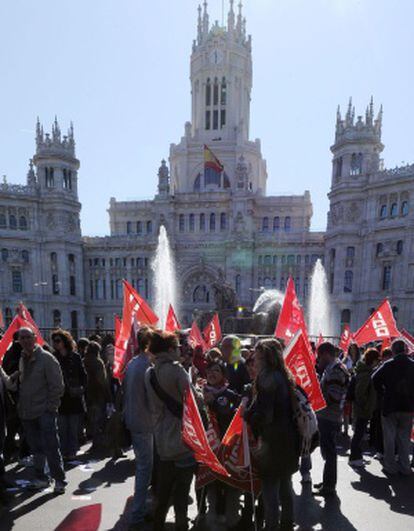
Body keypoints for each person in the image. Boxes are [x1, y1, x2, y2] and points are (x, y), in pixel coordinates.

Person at [244, 338, 300, 531]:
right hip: (288, 438)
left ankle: (272, 527)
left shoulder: (266, 377)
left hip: (271, 440)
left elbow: (265, 415)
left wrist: (247, 414)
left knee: (269, 489)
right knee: (285, 485)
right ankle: (286, 524)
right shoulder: (283, 374)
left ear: (265, 357)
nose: (254, 360)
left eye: (257, 356)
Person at [145, 330, 196, 531]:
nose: (180, 350)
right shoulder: (177, 371)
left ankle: (158, 525)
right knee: (182, 493)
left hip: (162, 440)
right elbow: (191, 401)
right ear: (169, 349)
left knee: (163, 492)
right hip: (182, 439)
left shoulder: (149, 373)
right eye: (177, 347)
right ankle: (181, 526)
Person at [17, 327, 66, 493]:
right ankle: (41, 478)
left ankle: (59, 480)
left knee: (51, 447)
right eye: (21, 338)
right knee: (36, 449)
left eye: (28, 337)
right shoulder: (22, 359)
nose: (25, 341)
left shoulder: (47, 359)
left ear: (35, 338)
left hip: (45, 411)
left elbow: (57, 386)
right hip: (28, 412)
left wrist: (51, 407)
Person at [203, 359, 241, 529]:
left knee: (228, 484)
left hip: (226, 448)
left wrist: (214, 404)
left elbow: (231, 416)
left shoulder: (230, 395)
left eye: (216, 370)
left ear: (223, 375)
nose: (212, 373)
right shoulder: (199, 393)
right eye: (209, 370)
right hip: (207, 449)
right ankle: (208, 516)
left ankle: (230, 517)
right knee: (209, 484)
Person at [123, 326, 154, 531]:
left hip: (134, 419)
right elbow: (151, 398)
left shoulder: (133, 363)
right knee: (144, 468)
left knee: (143, 466)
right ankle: (137, 513)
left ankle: (140, 509)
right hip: (144, 422)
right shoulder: (146, 366)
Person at [372, 339, 414, 476]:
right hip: (408, 406)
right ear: (406, 350)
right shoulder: (412, 365)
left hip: (390, 405)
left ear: (394, 350)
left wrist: (382, 391)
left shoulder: (388, 365)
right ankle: (405, 466)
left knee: (389, 437)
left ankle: (390, 466)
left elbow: (374, 378)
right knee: (404, 438)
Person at [314, 341, 349, 497]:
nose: (318, 360)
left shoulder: (335, 370)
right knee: (328, 452)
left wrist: (318, 394)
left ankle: (329, 486)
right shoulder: (335, 367)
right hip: (330, 416)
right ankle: (328, 482)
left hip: (329, 416)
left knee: (329, 452)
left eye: (319, 356)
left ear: (326, 354)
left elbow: (334, 396)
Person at [52, 329, 87, 460]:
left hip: (73, 397)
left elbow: (83, 375)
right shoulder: (53, 357)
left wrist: (81, 388)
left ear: (64, 341)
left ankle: (72, 451)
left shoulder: (75, 356)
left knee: (73, 428)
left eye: (57, 341)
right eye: (54, 341)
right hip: (60, 398)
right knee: (61, 428)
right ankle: (62, 451)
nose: (55, 344)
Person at [349, 348, 380, 467]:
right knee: (359, 433)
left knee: (359, 433)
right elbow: (360, 393)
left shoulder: (363, 371)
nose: (378, 363)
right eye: (377, 360)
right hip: (362, 409)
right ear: (373, 360)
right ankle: (355, 457)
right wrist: (366, 406)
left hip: (361, 408)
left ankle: (357, 456)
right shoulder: (366, 374)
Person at [83, 341, 111, 453]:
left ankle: (96, 443)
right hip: (98, 395)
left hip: (88, 394)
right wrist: (108, 396)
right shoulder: (98, 362)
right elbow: (102, 381)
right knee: (100, 420)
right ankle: (100, 444)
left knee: (92, 420)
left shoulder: (83, 361)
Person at [0, 365, 18, 504]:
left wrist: (16, 375)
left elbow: (8, 384)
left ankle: (3, 480)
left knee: (1, 446)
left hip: (1, 410)